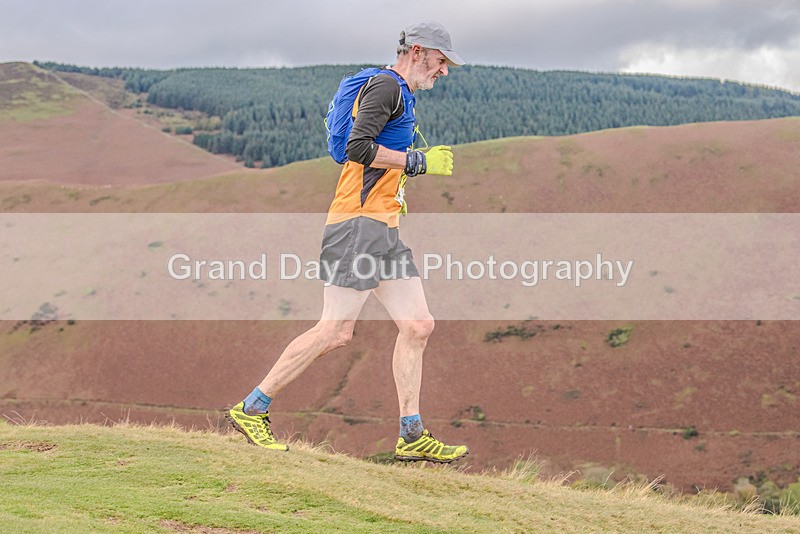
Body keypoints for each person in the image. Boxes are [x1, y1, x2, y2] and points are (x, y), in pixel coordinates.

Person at [226, 21, 468, 463]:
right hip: (358, 226)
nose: (444, 71)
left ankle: (411, 434)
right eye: (441, 61)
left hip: (382, 228)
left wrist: (394, 189)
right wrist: (417, 162)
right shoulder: (386, 88)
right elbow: (357, 148)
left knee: (418, 326)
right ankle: (251, 408)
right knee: (335, 330)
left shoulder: (398, 91)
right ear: (418, 51)